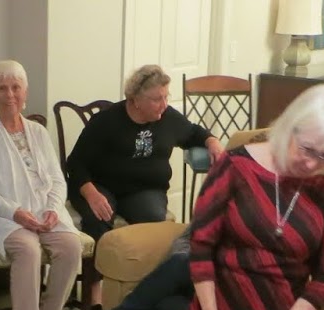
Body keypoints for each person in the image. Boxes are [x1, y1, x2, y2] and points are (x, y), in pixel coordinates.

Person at [187, 86, 324, 310]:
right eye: (307, 149)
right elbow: (201, 249)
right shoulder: (235, 167)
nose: (312, 164)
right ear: (290, 127)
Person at [0, 61, 83, 310]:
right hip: (2, 217)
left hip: (43, 212)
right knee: (28, 250)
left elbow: (57, 179)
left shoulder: (38, 131)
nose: (10, 95)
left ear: (25, 92)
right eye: (2, 88)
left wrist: (53, 209)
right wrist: (15, 212)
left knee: (71, 247)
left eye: (16, 87)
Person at [66, 64, 224, 245]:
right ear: (136, 100)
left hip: (144, 189)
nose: (164, 105)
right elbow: (75, 163)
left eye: (166, 97)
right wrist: (91, 194)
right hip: (101, 186)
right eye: (157, 99)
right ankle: (101, 263)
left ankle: (138, 263)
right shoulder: (106, 121)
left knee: (152, 219)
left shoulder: (168, 117)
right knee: (99, 217)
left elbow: (193, 133)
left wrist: (212, 142)